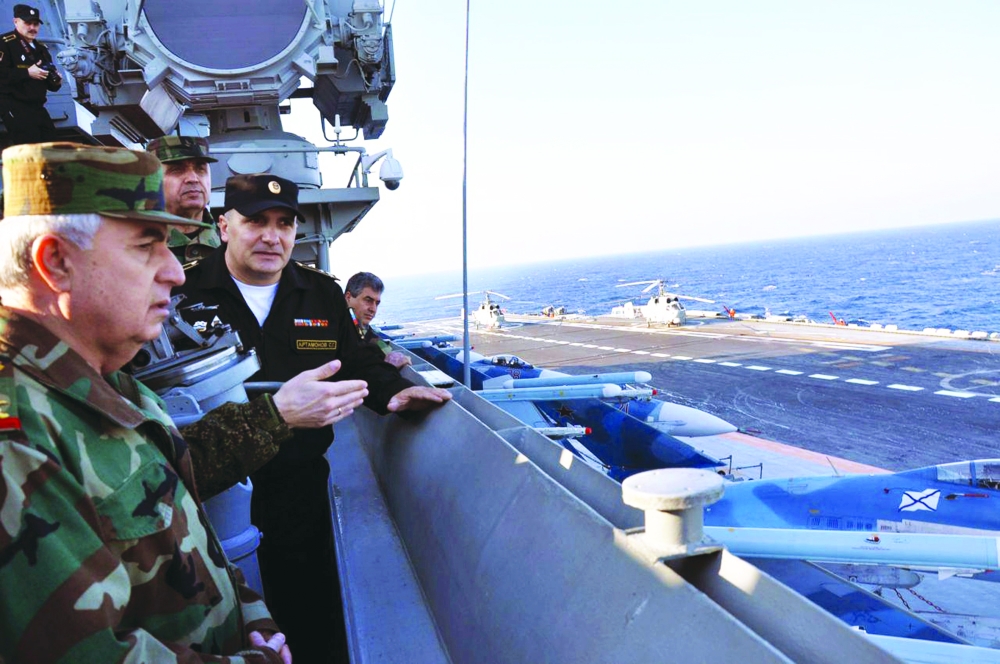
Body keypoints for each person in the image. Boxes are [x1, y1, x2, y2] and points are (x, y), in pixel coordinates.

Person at [0, 142, 289, 662]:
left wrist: (250, 615)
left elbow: (190, 536)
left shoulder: (113, 381)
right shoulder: (16, 432)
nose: (174, 272)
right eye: (145, 246)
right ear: (55, 262)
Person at [175, 173, 451, 663]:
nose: (271, 236)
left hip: (298, 486)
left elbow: (356, 360)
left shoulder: (321, 294)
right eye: (255, 221)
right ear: (224, 226)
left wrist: (394, 393)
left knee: (309, 616)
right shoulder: (184, 291)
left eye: (284, 223)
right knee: (218, 622)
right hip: (208, 490)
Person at [147, 134, 222, 262]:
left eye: (200, 169)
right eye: (177, 170)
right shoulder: (137, 246)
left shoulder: (231, 244)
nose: (193, 179)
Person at [0, 4, 61, 146]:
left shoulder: (41, 49)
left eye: (35, 24)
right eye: (28, 23)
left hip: (37, 107)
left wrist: (56, 82)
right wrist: (27, 73)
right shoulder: (4, 43)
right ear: (16, 21)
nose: (32, 28)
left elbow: (50, 84)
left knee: (52, 146)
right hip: (15, 106)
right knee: (30, 149)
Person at [344, 270, 412, 369]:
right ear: (348, 297)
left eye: (377, 303)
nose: (373, 309)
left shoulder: (360, 327)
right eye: (368, 300)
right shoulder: (335, 328)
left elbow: (380, 345)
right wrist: (387, 367)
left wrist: (394, 357)